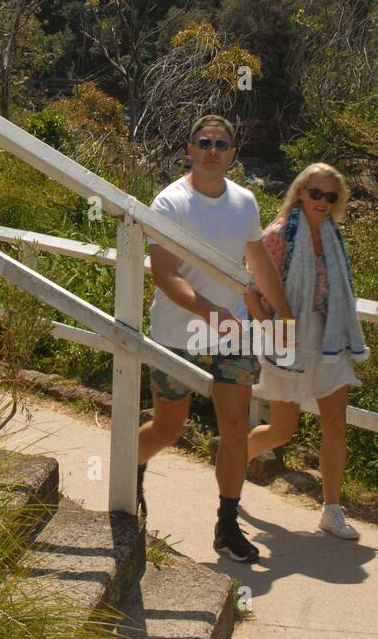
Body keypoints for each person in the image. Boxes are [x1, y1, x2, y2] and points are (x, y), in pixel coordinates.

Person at [138, 114, 294, 562]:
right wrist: (211, 311)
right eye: (203, 142)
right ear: (189, 149)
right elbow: (164, 275)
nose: (211, 150)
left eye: (221, 144)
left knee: (234, 429)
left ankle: (227, 525)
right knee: (170, 429)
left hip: (232, 336)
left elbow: (257, 262)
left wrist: (283, 318)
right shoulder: (169, 203)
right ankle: (132, 468)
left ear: (232, 154)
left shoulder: (245, 202)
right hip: (178, 332)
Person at [245, 163, 368, 540]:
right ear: (300, 192)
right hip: (288, 334)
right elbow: (250, 291)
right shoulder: (279, 235)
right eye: (316, 193)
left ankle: (332, 511)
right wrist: (273, 330)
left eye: (331, 197)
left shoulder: (333, 236)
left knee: (335, 424)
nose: (322, 202)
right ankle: (234, 458)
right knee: (283, 429)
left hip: (329, 336)